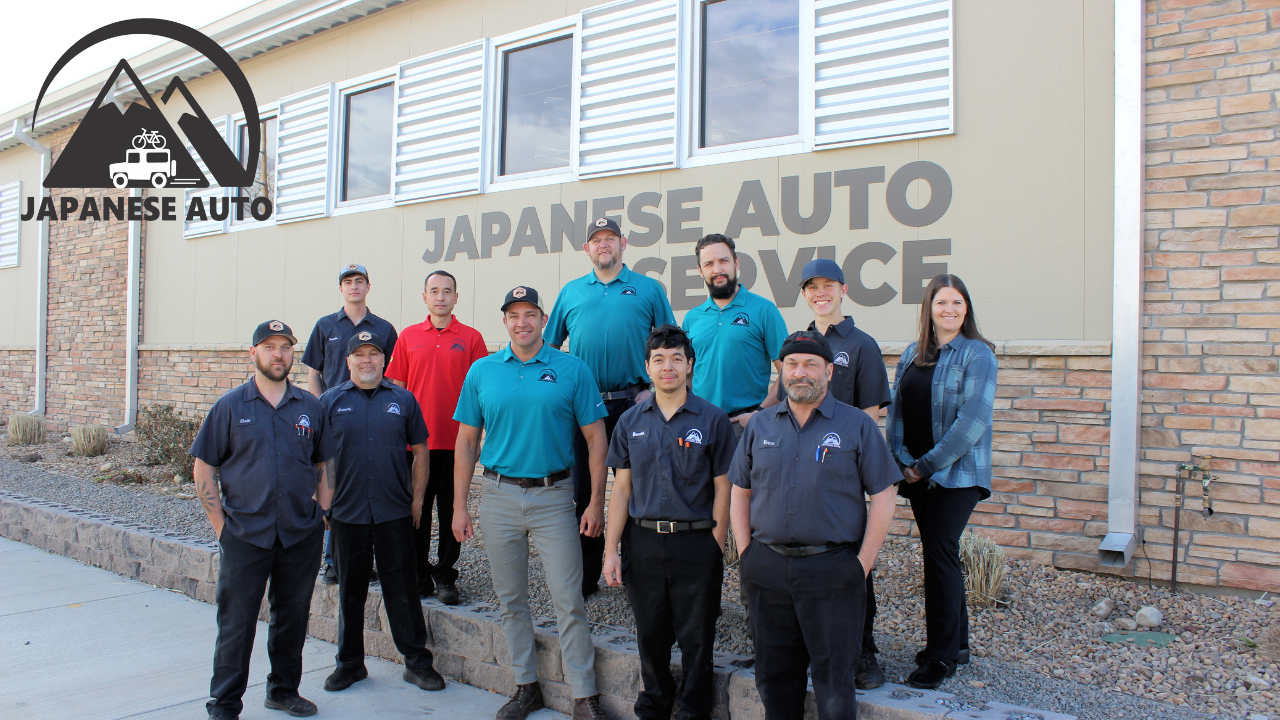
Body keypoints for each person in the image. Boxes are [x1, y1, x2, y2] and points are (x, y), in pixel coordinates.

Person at [452, 286, 612, 720]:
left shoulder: (572, 369)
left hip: (554, 497)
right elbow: (466, 442)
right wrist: (459, 506)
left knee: (568, 598)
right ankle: (527, 687)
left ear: (544, 320)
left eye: (530, 314)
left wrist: (596, 502)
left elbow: (597, 439)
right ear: (504, 322)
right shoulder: (482, 371)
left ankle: (584, 696)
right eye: (513, 314)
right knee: (512, 600)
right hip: (498, 495)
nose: (522, 322)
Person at [729, 331, 900, 720]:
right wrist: (745, 552)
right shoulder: (761, 426)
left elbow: (885, 495)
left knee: (835, 684)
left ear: (829, 371)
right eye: (791, 364)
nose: (800, 372)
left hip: (833, 571)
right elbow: (740, 489)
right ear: (782, 372)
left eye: (810, 364)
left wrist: (862, 564)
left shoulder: (856, 425)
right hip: (767, 570)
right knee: (774, 679)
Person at [190, 320, 328, 720]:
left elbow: (324, 464)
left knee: (291, 619)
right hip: (245, 536)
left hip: (299, 536)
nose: (278, 354)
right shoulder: (230, 407)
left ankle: (283, 692)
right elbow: (203, 469)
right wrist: (222, 530)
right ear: (254, 354)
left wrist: (321, 513)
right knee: (237, 623)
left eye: (285, 347)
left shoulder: (310, 407)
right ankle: (225, 704)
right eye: (269, 347)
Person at [602, 325, 734, 720]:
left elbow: (724, 487)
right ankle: (655, 703)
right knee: (651, 633)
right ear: (647, 367)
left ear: (690, 364)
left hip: (696, 542)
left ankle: (694, 709)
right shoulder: (629, 421)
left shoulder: (713, 420)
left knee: (697, 636)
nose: (668, 366)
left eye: (677, 358)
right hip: (643, 542)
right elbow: (622, 491)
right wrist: (611, 549)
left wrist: (717, 541)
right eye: (659, 359)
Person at [546, 216, 677, 599]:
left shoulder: (648, 289)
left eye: (610, 238)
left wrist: (653, 390)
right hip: (584, 408)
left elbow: (671, 344)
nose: (603, 244)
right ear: (586, 249)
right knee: (584, 491)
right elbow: (551, 348)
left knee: (636, 489)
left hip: (634, 405)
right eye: (596, 240)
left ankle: (636, 575)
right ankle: (586, 577)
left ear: (623, 243)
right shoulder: (571, 292)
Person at [781, 258, 892, 689]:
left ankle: (863, 652)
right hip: (795, 471)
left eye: (828, 285)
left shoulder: (861, 345)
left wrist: (860, 466)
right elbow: (780, 403)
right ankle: (798, 647)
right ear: (805, 294)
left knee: (853, 563)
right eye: (812, 287)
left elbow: (869, 416)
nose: (820, 293)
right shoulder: (798, 342)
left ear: (844, 289)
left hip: (843, 471)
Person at [318, 331, 446, 695]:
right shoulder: (329, 402)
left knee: (402, 590)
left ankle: (417, 663)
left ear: (384, 360)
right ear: (348, 362)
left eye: (373, 354)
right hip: (347, 512)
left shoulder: (403, 400)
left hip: (394, 512)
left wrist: (417, 501)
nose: (366, 361)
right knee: (350, 592)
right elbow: (321, 458)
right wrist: (324, 503)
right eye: (359, 355)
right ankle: (349, 665)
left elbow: (421, 451)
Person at [886, 274, 997, 690]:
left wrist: (925, 465)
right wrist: (901, 461)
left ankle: (941, 656)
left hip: (956, 474)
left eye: (958, 303)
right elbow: (896, 414)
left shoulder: (978, 355)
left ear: (966, 309)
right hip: (916, 472)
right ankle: (959, 644)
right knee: (938, 553)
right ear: (928, 308)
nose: (950, 310)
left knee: (940, 549)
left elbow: (972, 422)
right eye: (941, 303)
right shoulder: (911, 354)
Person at [386, 269, 488, 605]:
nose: (441, 296)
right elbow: (396, 389)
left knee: (451, 511)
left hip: (456, 443)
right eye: (434, 290)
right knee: (416, 511)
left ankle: (445, 574)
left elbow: (482, 391)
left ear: (456, 298)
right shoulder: (408, 337)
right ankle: (418, 574)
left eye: (447, 291)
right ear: (425, 296)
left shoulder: (472, 339)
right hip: (416, 446)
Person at [302, 262, 398, 585]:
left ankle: (367, 560)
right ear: (340, 289)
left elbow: (395, 375)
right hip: (335, 418)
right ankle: (333, 561)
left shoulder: (384, 328)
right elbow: (313, 372)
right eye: (348, 281)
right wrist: (319, 409)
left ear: (368, 287)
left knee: (367, 482)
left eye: (360, 281)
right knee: (334, 484)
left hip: (373, 416)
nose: (354, 286)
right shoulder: (325, 326)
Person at [681, 234, 787, 439]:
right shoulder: (692, 318)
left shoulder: (764, 310)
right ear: (700, 271)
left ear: (736, 263)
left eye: (723, 261)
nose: (717, 269)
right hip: (700, 423)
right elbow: (687, 374)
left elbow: (787, 371)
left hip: (746, 425)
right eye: (709, 264)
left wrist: (759, 413)